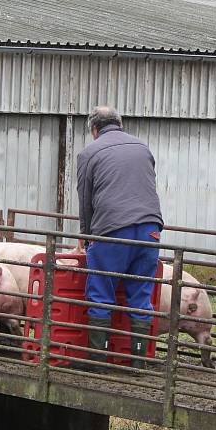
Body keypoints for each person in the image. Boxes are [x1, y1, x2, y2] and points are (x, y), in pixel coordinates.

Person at [77, 106, 163, 371]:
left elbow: (85, 200)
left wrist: (86, 236)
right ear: (120, 124)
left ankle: (98, 362)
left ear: (94, 129)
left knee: (101, 293)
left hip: (112, 230)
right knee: (141, 294)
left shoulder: (89, 153)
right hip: (150, 230)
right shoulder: (142, 148)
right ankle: (137, 362)